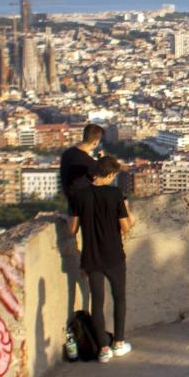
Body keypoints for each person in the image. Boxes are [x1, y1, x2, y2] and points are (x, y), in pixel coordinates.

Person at [67, 156, 134, 362]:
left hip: (91, 257)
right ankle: (119, 343)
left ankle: (103, 349)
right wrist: (127, 208)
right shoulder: (115, 194)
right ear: (111, 174)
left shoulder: (80, 195)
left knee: (97, 302)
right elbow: (126, 226)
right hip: (114, 255)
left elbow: (72, 229)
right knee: (119, 297)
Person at [60, 123, 105, 203]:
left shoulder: (67, 153)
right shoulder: (88, 162)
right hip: (84, 203)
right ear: (96, 142)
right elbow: (100, 181)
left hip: (70, 201)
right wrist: (101, 162)